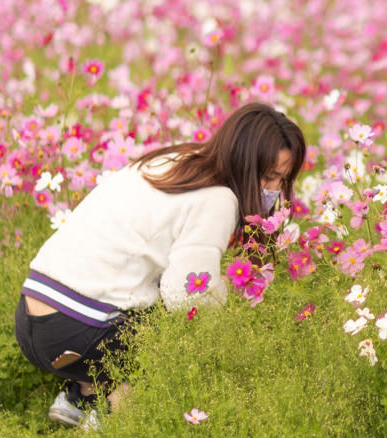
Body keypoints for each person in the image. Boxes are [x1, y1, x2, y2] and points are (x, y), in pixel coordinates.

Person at [14, 103, 306, 428]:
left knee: (143, 296)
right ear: (243, 161)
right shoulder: (218, 198)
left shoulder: (175, 160)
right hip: (76, 329)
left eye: (283, 179)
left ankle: (81, 395)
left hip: (31, 318)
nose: (275, 190)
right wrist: (234, 318)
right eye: (268, 177)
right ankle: (116, 416)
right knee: (175, 339)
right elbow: (186, 295)